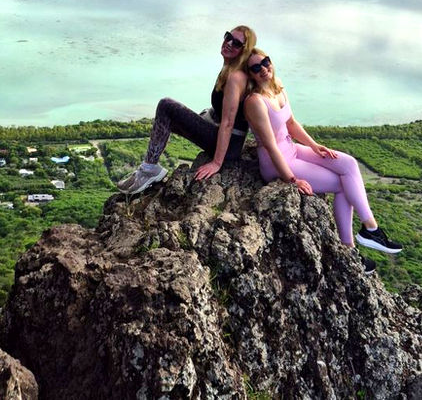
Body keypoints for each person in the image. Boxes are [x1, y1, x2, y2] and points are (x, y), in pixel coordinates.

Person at [244, 48, 402, 274]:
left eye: (266, 62)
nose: (263, 69)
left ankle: (371, 228)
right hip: (276, 162)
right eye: (256, 68)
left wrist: (314, 146)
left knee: (348, 164)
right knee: (341, 185)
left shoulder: (277, 86)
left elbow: (291, 124)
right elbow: (270, 146)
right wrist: (292, 179)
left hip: (292, 148)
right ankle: (349, 249)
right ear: (250, 74)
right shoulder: (255, 102)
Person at [118, 26, 257, 195]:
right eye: (228, 37)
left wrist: (217, 163)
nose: (228, 43)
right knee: (175, 117)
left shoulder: (235, 77)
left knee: (166, 106)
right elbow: (223, 111)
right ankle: (148, 167)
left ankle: (149, 170)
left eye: (236, 43)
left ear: (244, 50)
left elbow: (228, 123)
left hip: (230, 147)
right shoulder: (230, 69)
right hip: (229, 140)